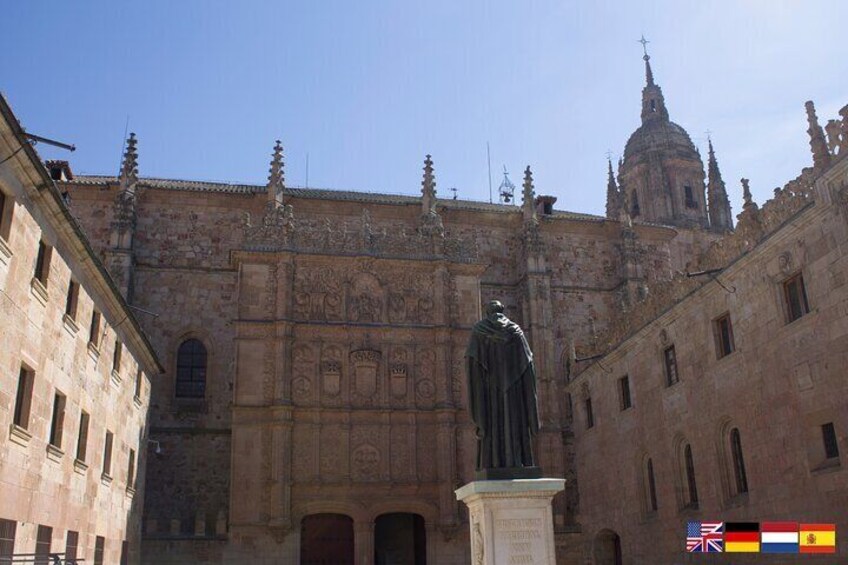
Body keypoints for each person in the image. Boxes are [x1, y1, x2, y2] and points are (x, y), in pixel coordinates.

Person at [466, 300, 541, 479]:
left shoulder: (479, 330)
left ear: (487, 312)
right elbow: (528, 362)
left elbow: (472, 361)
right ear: (502, 310)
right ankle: (518, 461)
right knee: (515, 421)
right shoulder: (516, 331)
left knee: (493, 424)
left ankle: (493, 463)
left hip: (490, 392)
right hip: (515, 391)